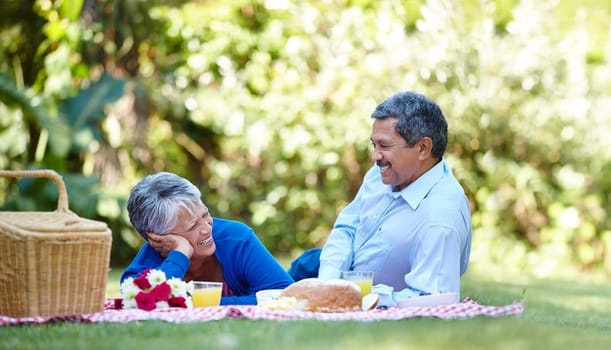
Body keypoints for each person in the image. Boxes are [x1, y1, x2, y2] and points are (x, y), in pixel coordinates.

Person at [288, 91, 472, 304]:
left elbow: (431, 300)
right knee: (277, 277)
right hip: (328, 269)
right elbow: (348, 227)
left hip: (372, 296)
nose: (375, 156)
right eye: (374, 145)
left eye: (384, 146)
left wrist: (361, 296)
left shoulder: (439, 220)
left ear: (423, 148)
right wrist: (328, 281)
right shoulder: (382, 174)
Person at [121, 172, 293, 305]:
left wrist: (197, 305)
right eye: (193, 226)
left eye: (205, 214)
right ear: (158, 237)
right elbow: (141, 303)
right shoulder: (144, 272)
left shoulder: (237, 239)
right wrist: (179, 254)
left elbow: (287, 296)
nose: (206, 228)